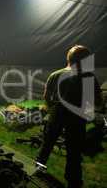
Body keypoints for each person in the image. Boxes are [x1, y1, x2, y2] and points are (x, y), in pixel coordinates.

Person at [36, 45, 103, 188]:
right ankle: (73, 181)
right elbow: (97, 102)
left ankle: (38, 168)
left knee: (47, 144)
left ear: (68, 58)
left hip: (57, 113)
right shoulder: (89, 77)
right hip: (77, 117)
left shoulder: (55, 75)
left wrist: (52, 107)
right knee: (74, 151)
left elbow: (47, 96)